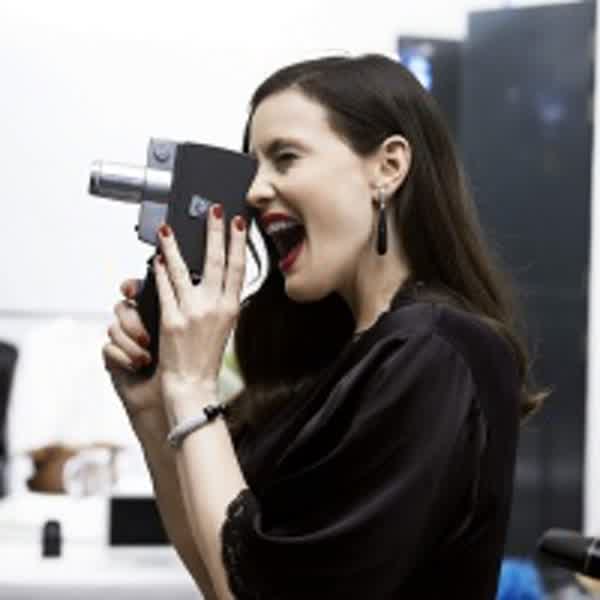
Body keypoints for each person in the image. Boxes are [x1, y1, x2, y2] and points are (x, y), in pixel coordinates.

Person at [102, 54, 546, 599]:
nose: (255, 191)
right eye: (254, 168)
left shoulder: (437, 348)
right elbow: (224, 581)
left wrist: (193, 386)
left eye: (285, 158)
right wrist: (155, 409)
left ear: (388, 167)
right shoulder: (336, 360)